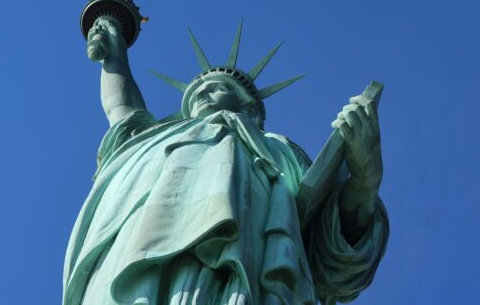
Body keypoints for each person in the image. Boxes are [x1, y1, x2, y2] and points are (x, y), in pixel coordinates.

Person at [63, 16, 389, 305]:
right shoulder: (158, 138)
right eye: (195, 93)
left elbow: (330, 250)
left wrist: (364, 178)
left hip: (243, 267)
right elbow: (122, 110)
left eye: (215, 88)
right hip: (137, 258)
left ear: (250, 109)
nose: (202, 94)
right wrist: (114, 57)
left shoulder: (277, 149)